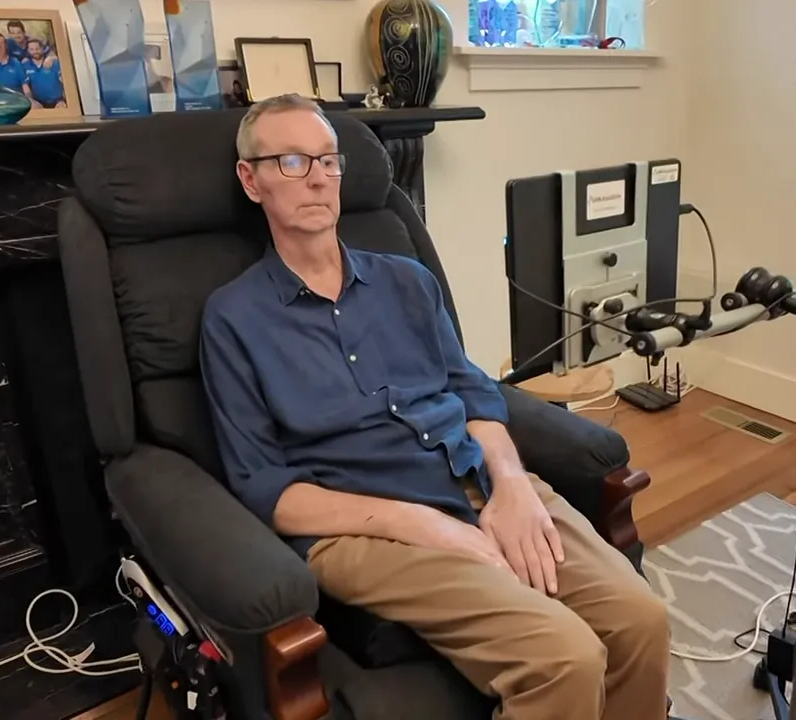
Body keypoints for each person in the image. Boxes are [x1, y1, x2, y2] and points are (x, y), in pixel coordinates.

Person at [200, 94, 672, 720]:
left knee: (641, 618)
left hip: (473, 479)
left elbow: (476, 392)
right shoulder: (234, 320)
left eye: (328, 160)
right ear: (250, 179)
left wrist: (511, 486)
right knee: (563, 658)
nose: (316, 176)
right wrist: (425, 526)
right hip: (361, 527)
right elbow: (267, 491)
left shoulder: (406, 280)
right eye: (290, 160)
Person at [22, 38, 66, 108]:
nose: (35, 52)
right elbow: (25, 85)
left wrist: (66, 99)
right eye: (32, 49)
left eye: (37, 49)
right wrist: (31, 100)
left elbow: (63, 80)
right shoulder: (25, 65)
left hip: (57, 101)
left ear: (42, 49)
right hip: (38, 102)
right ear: (28, 50)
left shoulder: (54, 63)